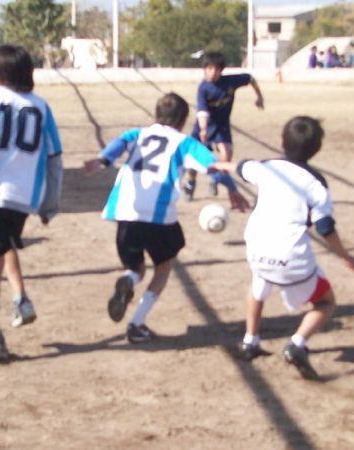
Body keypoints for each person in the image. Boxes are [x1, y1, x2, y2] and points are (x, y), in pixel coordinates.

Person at [84, 93, 249, 343]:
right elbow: (213, 167)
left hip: (125, 211)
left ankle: (127, 280)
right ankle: (136, 324)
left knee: (135, 268)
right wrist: (233, 190)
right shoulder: (185, 142)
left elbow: (117, 145)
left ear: (155, 115)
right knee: (163, 266)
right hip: (159, 216)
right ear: (183, 120)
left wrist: (101, 160)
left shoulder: (137, 134)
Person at [212, 116, 354, 380]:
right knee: (326, 302)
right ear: (317, 148)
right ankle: (297, 345)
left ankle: (250, 340)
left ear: (282, 141)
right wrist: (345, 257)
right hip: (291, 256)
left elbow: (241, 166)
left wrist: (217, 164)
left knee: (258, 284)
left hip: (256, 248)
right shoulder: (317, 184)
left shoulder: (267, 167)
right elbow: (325, 228)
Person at [0, 45, 64, 361]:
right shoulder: (42, 107)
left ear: (0, 74)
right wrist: (50, 203)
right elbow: (55, 159)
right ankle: (21, 299)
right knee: (4, 244)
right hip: (24, 199)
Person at [183, 52, 264, 200]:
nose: (213, 72)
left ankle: (216, 180)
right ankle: (191, 182)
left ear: (221, 70)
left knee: (226, 154)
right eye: (209, 69)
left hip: (222, 126)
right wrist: (203, 129)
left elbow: (250, 78)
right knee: (194, 159)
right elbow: (202, 111)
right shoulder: (204, 88)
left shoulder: (230, 81)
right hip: (203, 127)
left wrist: (259, 97)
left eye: (216, 69)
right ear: (204, 69)